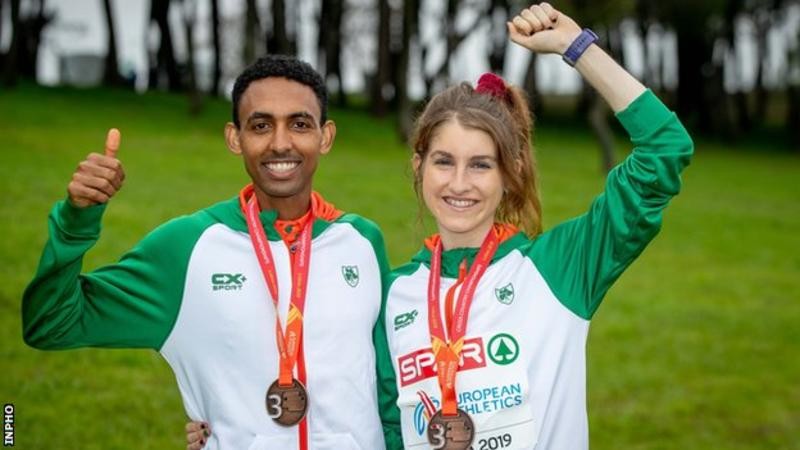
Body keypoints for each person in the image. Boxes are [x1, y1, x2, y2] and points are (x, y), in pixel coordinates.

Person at [188, 2, 693, 449]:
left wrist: (576, 47)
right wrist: (224, 425)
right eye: (444, 161)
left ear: (510, 174)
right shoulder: (396, 294)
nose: (459, 184)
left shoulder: (561, 269)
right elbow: (375, 420)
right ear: (419, 167)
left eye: (481, 165)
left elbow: (664, 149)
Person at [22, 55, 402, 450]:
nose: (280, 143)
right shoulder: (188, 247)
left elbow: (387, 385)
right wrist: (77, 220)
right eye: (261, 125)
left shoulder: (362, 241)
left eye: (300, 124)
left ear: (325, 136)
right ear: (235, 138)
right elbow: (50, 323)